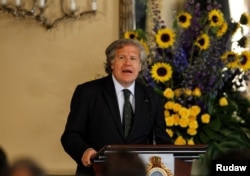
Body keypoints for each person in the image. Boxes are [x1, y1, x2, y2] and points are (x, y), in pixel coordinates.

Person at [61, 38, 172, 176]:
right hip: (96, 171)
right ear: (111, 63)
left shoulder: (152, 97)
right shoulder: (88, 92)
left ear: (140, 66)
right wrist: (85, 150)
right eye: (122, 57)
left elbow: (162, 139)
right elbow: (71, 135)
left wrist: (174, 157)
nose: (128, 63)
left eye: (133, 58)